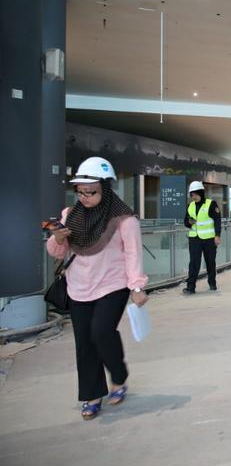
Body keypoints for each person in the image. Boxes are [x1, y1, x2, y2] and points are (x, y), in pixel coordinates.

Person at [45, 156, 149, 420]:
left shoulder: (124, 220)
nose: (84, 197)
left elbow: (133, 253)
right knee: (84, 343)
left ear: (106, 187)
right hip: (78, 287)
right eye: (80, 192)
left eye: (90, 192)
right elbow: (58, 252)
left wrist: (137, 286)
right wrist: (57, 238)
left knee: (101, 332)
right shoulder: (70, 215)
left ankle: (119, 374)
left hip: (113, 285)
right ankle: (92, 394)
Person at [183, 181, 222, 294]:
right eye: (191, 195)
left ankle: (212, 283)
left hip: (209, 239)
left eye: (194, 194)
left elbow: (217, 221)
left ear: (200, 193)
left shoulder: (211, 204)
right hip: (194, 238)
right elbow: (185, 222)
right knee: (194, 263)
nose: (193, 197)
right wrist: (189, 222)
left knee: (210, 262)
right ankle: (191, 287)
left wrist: (217, 235)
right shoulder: (190, 206)